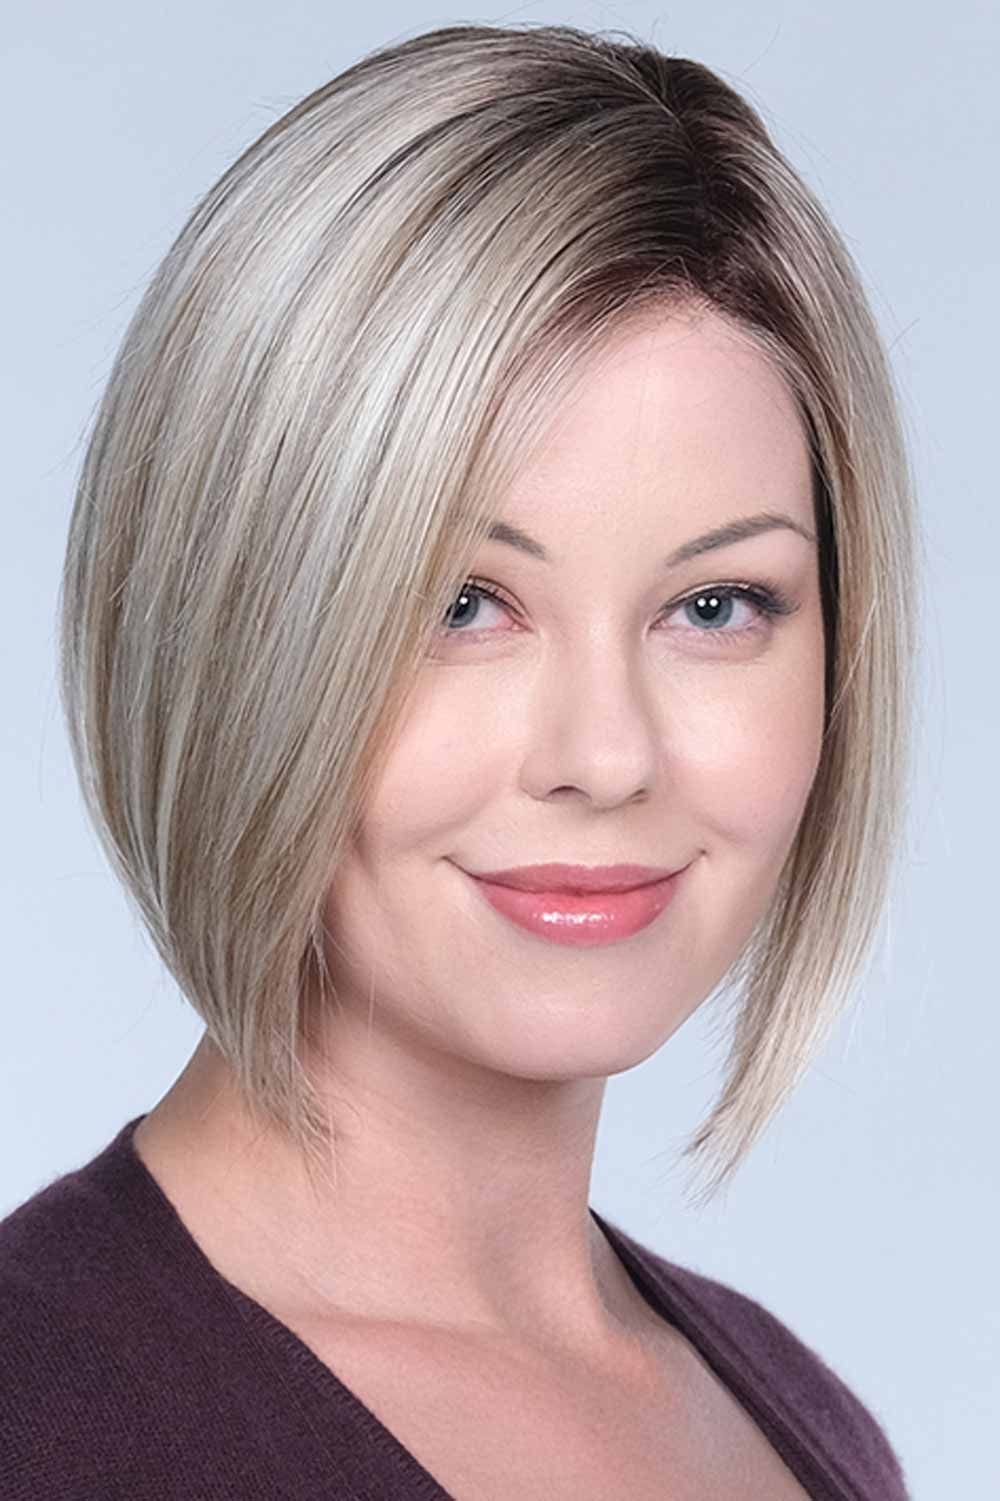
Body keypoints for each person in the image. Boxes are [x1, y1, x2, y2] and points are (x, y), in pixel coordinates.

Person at [0, 21, 917, 1499]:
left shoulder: (812, 1426)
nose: (605, 755)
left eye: (714, 606)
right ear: (230, 624)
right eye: (462, 603)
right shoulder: (39, 1421)